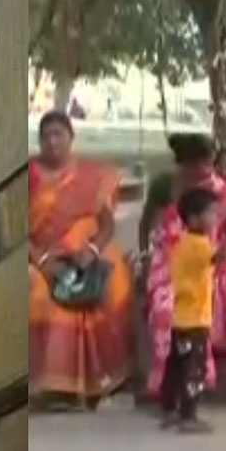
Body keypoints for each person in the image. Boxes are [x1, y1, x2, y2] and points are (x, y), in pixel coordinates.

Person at [27, 111, 133, 404]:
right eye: (46, 136)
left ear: (71, 138)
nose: (52, 142)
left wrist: (93, 250)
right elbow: (12, 230)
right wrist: (43, 258)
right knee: (39, 291)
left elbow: (107, 223)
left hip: (87, 251)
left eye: (58, 134)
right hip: (40, 255)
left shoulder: (91, 175)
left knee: (115, 282)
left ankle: (110, 377)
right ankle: (54, 384)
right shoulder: (26, 176)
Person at [144, 133, 226, 401]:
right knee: (165, 305)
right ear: (184, 164)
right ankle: (167, 384)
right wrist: (145, 260)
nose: (205, 170)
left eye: (208, 163)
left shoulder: (222, 191)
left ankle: (193, 381)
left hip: (207, 259)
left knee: (199, 302)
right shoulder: (165, 186)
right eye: (198, 164)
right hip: (167, 258)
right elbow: (149, 225)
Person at [160, 186, 226, 433]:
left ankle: (171, 409)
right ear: (194, 218)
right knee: (194, 369)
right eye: (211, 214)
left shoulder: (183, 241)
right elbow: (220, 257)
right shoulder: (198, 244)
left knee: (176, 367)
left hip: (180, 319)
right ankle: (188, 415)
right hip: (194, 321)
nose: (215, 219)